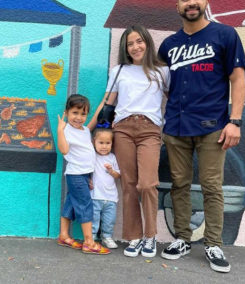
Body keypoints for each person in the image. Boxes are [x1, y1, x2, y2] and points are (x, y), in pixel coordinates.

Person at [158, 0, 245, 273]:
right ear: (178, 5)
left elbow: (238, 78)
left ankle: (213, 244)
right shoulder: (169, 45)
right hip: (176, 126)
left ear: (205, 2)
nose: (191, 3)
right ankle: (182, 239)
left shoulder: (225, 35)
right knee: (179, 184)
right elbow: (161, 82)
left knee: (211, 186)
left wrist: (235, 121)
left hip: (213, 126)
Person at [89, 24, 170, 258]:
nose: (135, 47)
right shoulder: (119, 71)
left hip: (150, 130)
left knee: (147, 184)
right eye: (130, 43)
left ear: (147, 42)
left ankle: (150, 235)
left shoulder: (162, 71)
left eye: (139, 41)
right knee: (128, 185)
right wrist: (88, 130)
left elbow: (174, 99)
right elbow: (107, 104)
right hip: (123, 129)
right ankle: (134, 237)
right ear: (125, 48)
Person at [57, 94, 110, 255]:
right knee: (85, 204)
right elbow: (64, 150)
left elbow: (95, 117)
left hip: (84, 175)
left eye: (83, 114)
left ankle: (64, 235)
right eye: (75, 113)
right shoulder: (66, 129)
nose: (79, 118)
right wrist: (60, 129)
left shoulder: (86, 130)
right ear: (66, 112)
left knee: (71, 204)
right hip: (75, 175)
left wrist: (104, 100)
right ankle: (89, 242)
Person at [89, 128, 121, 249]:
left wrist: (111, 170)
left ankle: (106, 237)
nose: (104, 146)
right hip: (95, 195)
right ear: (94, 142)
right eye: (101, 143)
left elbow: (118, 175)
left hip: (111, 197)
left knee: (109, 220)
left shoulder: (113, 158)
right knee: (93, 218)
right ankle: (91, 237)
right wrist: (88, 179)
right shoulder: (93, 156)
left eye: (108, 143)